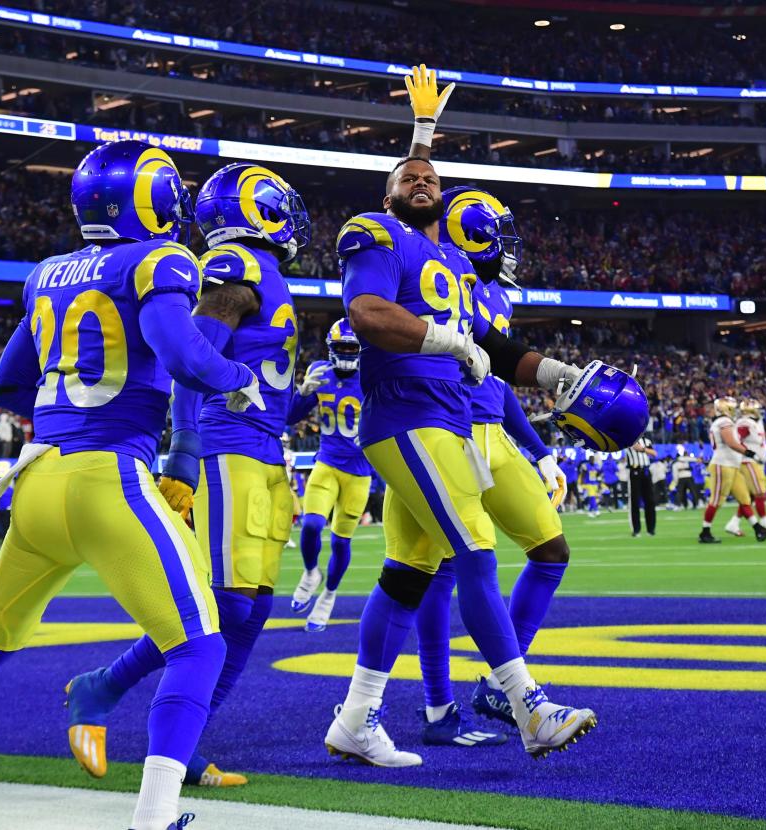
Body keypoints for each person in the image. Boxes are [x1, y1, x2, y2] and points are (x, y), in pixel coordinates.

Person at [0, 140, 258, 830]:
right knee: (199, 646)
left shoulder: (48, 273)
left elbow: (7, 384)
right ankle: (153, 819)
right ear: (154, 200)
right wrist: (238, 381)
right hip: (107, 476)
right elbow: (185, 356)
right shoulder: (161, 259)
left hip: (36, 479)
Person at [323, 63, 597, 768]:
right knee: (475, 550)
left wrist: (558, 374)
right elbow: (367, 314)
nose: (424, 182)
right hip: (408, 417)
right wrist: (445, 340)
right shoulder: (375, 234)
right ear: (387, 193)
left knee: (407, 576)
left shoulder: (446, 256)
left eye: (433, 179)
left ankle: (356, 718)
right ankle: (528, 705)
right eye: (411, 178)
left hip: (442, 421)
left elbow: (500, 352)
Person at [64, 161, 313, 791]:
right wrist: (185, 450)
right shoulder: (241, 270)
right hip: (226, 450)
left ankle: (189, 742)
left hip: (263, 451)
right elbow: (190, 362)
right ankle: (106, 689)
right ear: (258, 210)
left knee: (251, 610)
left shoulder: (269, 273)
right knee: (222, 604)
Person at [413, 185, 571, 747]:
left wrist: (542, 449)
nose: (506, 245)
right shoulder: (436, 278)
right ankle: (437, 707)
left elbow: (500, 383)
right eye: (496, 232)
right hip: (443, 431)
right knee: (437, 571)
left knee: (551, 550)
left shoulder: (495, 298)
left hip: (494, 433)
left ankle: (503, 687)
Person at [290, 318, 374, 633]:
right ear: (331, 348)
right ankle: (311, 572)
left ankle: (328, 595)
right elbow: (290, 416)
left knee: (341, 541)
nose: (348, 353)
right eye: (343, 348)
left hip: (360, 472)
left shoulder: (370, 377)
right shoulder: (320, 373)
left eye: (353, 348)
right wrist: (301, 393)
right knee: (310, 525)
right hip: (326, 462)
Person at [699, 397, 766, 544]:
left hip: (732, 465)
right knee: (716, 500)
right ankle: (705, 531)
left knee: (744, 497)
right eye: (732, 408)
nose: (736, 411)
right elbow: (731, 442)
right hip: (723, 464)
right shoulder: (724, 422)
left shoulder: (727, 421)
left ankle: (758, 529)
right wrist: (750, 453)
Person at [724, 398, 766, 536]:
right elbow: (735, 441)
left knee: (747, 497)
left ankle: (733, 524)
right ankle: (765, 524)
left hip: (754, 462)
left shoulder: (755, 422)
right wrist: (750, 454)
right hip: (747, 461)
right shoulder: (745, 423)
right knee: (759, 493)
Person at [625, 435, 657, 536]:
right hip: (634, 471)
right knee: (635, 501)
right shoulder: (627, 439)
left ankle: (651, 529)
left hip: (646, 471)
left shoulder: (646, 441)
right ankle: (636, 529)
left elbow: (654, 453)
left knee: (650, 501)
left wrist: (643, 449)